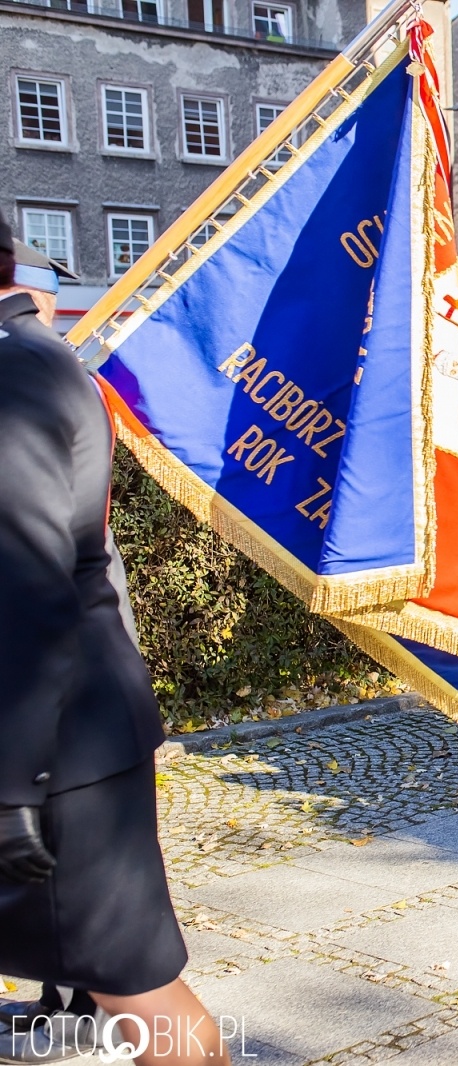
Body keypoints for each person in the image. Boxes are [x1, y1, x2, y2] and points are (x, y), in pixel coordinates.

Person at [0, 215, 233, 1065]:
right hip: (63, 734)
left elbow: (26, 589)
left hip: (56, 747)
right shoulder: (30, 359)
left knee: (138, 990)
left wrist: (12, 788)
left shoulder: (17, 372)